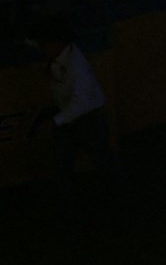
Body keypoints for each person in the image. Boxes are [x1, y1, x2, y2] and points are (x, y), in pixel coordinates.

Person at [32, 24, 117, 186]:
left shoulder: (76, 67)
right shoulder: (64, 56)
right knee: (65, 161)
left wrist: (55, 121)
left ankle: (116, 195)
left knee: (102, 161)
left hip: (89, 120)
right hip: (73, 116)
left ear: (57, 44)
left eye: (44, 44)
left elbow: (81, 103)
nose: (42, 48)